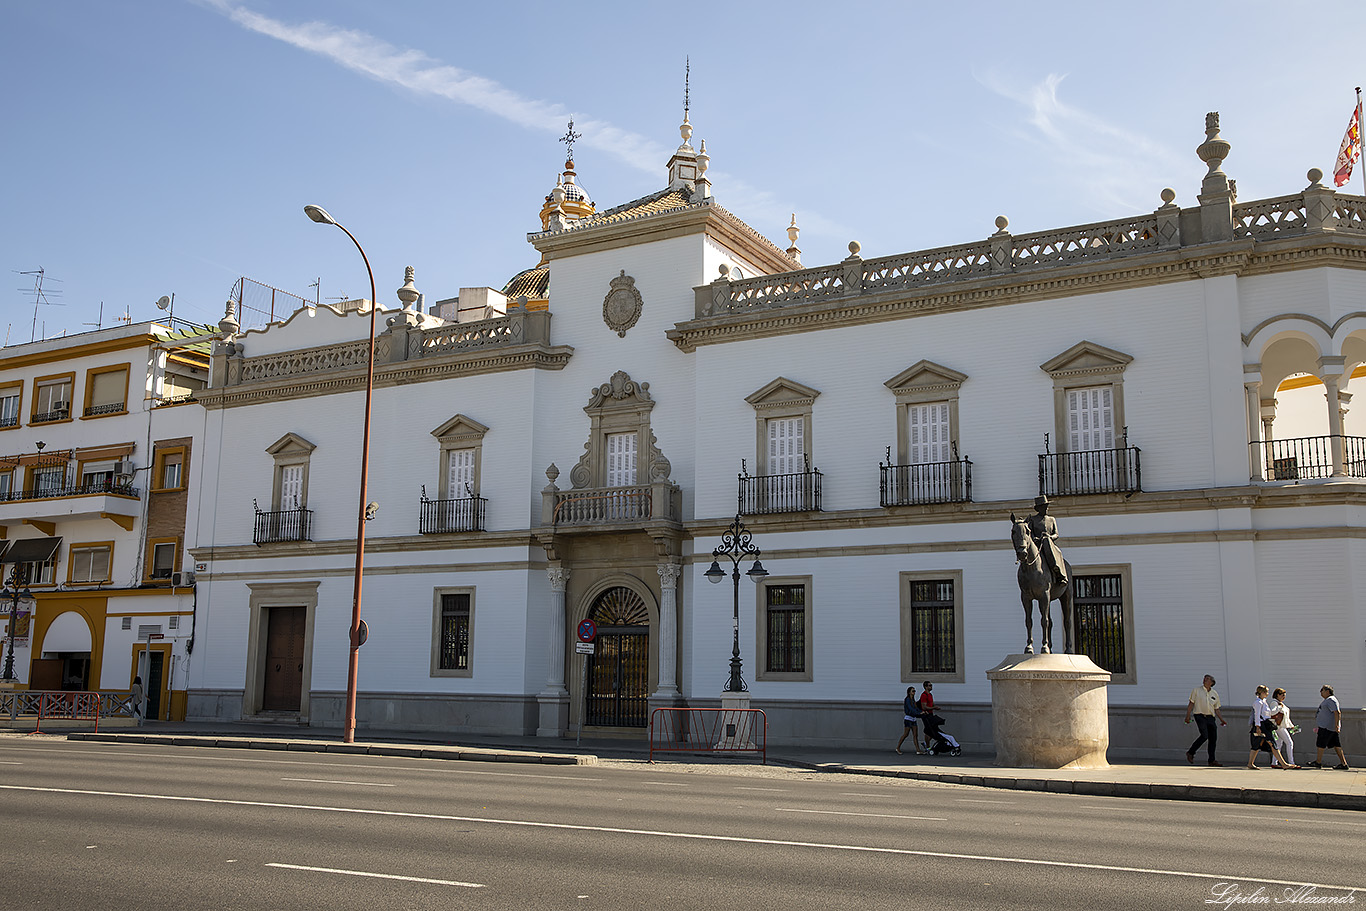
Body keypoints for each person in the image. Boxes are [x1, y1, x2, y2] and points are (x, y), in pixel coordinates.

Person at [1023, 496, 1068, 587]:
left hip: (1049, 544)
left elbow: (1056, 534)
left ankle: (1059, 573)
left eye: (1047, 506)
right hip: (1037, 545)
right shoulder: (1033, 519)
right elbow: (1030, 533)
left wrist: (1049, 537)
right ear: (1039, 508)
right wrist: (1035, 538)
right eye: (1044, 506)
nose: (1046, 508)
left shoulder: (1051, 519)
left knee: (1054, 549)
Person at [1184, 674, 1226, 766]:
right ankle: (1191, 752)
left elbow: (1216, 708)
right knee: (1204, 735)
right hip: (1200, 715)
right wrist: (1188, 716)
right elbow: (1191, 703)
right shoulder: (1196, 691)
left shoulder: (1214, 693)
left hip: (1211, 717)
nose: (1204, 680)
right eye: (1204, 679)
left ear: (1211, 682)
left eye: (1207, 679)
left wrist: (1221, 719)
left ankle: (1212, 760)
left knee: (1213, 738)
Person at [1246, 684, 1290, 770]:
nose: (1267, 693)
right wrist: (1258, 726)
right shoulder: (1258, 703)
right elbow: (1257, 715)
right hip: (1261, 725)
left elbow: (1267, 713)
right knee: (1261, 744)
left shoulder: (1264, 702)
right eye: (1266, 692)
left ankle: (1250, 763)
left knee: (1269, 744)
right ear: (1262, 692)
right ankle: (1283, 764)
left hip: (1265, 724)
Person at [1308, 684, 1350, 770]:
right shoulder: (1328, 700)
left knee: (1321, 744)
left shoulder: (1331, 700)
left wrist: (1337, 725)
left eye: (1322, 690)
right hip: (1329, 727)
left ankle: (1318, 762)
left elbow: (1337, 712)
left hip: (1327, 727)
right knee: (1336, 745)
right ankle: (1344, 764)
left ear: (1327, 691)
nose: (1320, 692)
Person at [1267, 688, 1299, 768]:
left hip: (1281, 726)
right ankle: (1291, 762)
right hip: (1279, 727)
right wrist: (1279, 708)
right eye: (1282, 695)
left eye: (1284, 695)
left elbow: (1286, 718)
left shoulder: (1280, 703)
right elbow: (1272, 712)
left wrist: (1292, 726)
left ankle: (1274, 762)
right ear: (1277, 695)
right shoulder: (1275, 703)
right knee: (1289, 743)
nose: (1284, 697)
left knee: (1278, 744)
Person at [896, 686, 926, 755]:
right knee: (906, 734)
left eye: (914, 691)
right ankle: (898, 747)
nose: (914, 692)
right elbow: (910, 709)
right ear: (909, 692)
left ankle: (918, 750)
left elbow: (915, 708)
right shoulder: (907, 700)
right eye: (913, 691)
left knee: (915, 735)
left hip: (913, 718)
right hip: (908, 718)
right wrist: (919, 713)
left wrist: (921, 711)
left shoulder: (913, 700)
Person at [917, 681, 946, 749]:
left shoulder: (930, 695)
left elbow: (931, 704)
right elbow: (924, 707)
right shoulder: (924, 695)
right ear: (926, 687)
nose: (931, 686)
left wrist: (935, 707)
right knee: (928, 730)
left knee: (933, 729)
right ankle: (927, 746)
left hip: (931, 714)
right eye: (929, 685)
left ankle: (925, 743)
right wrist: (934, 707)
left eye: (931, 685)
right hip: (926, 715)